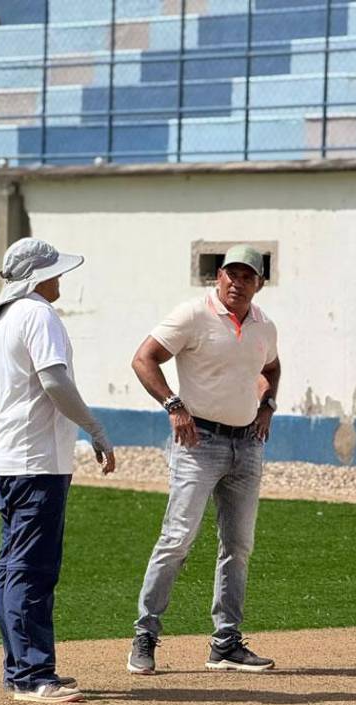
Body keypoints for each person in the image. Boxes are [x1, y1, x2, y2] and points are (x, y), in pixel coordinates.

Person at [128, 244, 281, 675]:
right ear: (218, 278)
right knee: (177, 539)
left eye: (247, 275)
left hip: (247, 444)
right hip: (199, 442)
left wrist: (267, 406)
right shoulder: (192, 315)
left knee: (238, 546)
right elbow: (144, 358)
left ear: (259, 283)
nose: (237, 281)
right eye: (230, 273)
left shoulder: (264, 326)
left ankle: (226, 643)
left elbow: (271, 367)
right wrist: (174, 406)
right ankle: (145, 635)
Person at [0, 237, 116, 703]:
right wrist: (95, 428)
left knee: (12, 566)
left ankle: (20, 667)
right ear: (38, 277)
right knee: (32, 568)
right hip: (35, 461)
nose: (60, 279)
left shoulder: (1, 320)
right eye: (54, 272)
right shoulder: (38, 315)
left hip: (10, 457)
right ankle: (34, 674)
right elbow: (54, 379)